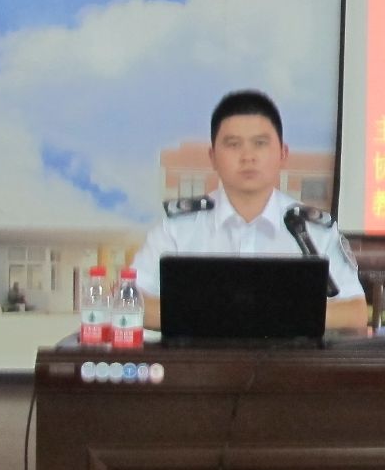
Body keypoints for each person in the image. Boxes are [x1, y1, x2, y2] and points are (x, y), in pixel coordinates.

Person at [130, 90, 368, 330]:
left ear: (283, 154)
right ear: (212, 157)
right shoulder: (178, 228)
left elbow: (354, 313)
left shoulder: (312, 231)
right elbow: (130, 301)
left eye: (260, 144)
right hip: (201, 356)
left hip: (287, 356)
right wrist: (231, 314)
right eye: (233, 145)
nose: (248, 157)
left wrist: (257, 314)